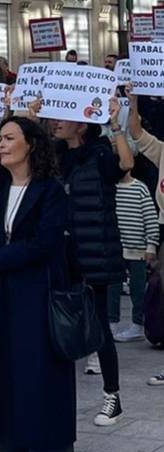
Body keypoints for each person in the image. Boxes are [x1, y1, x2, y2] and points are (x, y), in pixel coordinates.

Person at [0, 117, 75, 452]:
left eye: (8, 138)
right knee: (7, 376)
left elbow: (46, 242)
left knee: (41, 379)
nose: (0, 144)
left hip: (39, 294)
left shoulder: (51, 189)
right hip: (4, 295)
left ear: (30, 145)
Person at [44, 98, 133, 425]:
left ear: (81, 123)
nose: (57, 122)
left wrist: (115, 125)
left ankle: (112, 396)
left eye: (63, 117)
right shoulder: (56, 156)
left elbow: (125, 164)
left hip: (96, 252)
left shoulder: (99, 153)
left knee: (98, 328)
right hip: (62, 253)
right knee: (56, 321)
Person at [110, 168, 158, 342]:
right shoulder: (111, 188)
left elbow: (150, 217)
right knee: (112, 288)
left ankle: (137, 324)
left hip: (137, 250)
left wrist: (150, 246)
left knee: (137, 290)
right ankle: (111, 324)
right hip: (115, 249)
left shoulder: (140, 188)